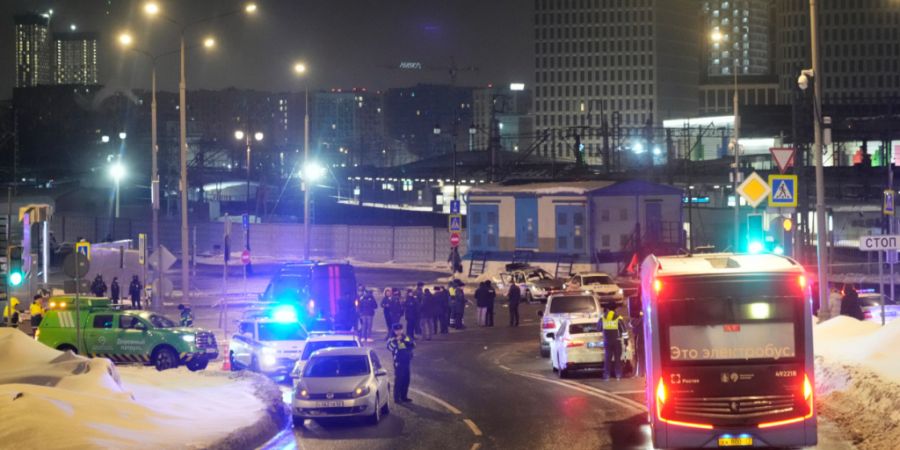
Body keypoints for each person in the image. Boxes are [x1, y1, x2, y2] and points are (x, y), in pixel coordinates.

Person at [387, 323, 415, 403]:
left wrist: (407, 343)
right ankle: (397, 398)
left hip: (407, 361)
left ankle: (404, 397)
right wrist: (396, 341)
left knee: (406, 380)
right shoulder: (392, 339)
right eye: (397, 330)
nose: (399, 332)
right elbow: (390, 347)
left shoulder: (406, 337)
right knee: (399, 380)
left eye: (400, 330)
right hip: (398, 363)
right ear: (394, 330)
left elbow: (413, 345)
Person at [600, 302, 627, 380]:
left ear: (607, 309)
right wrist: (626, 340)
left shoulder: (603, 318)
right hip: (617, 341)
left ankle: (606, 375)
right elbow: (624, 330)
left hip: (607, 341)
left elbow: (598, 328)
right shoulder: (618, 318)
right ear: (615, 309)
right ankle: (618, 375)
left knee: (608, 358)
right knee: (617, 359)